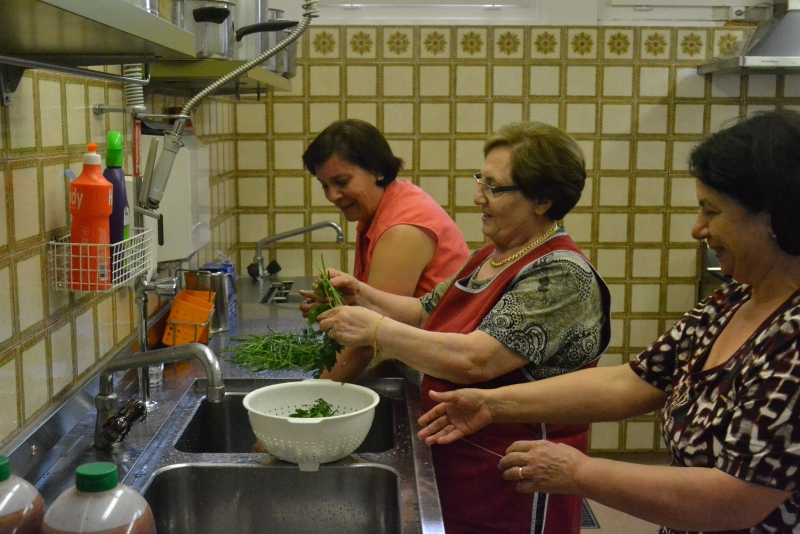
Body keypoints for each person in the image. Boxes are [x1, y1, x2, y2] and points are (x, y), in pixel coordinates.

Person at [417, 110, 800, 534]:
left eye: (712, 211)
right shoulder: (731, 301)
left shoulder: (793, 337)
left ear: (772, 216)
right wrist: (492, 406)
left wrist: (579, 472)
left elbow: (734, 500)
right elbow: (631, 382)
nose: (697, 229)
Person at [303, 121, 611, 534]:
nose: (478, 197)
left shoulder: (559, 274)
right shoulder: (491, 256)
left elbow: (476, 360)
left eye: (494, 188)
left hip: (516, 477)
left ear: (542, 200)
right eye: (480, 181)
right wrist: (362, 295)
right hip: (462, 462)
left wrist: (375, 329)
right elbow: (423, 311)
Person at [302, 119, 469, 382]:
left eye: (342, 181)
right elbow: (377, 309)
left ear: (377, 170)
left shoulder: (402, 229)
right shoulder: (385, 204)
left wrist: (315, 394)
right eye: (325, 185)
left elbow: (367, 337)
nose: (332, 196)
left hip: (439, 372)